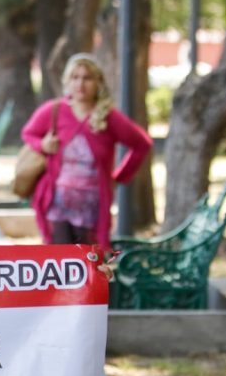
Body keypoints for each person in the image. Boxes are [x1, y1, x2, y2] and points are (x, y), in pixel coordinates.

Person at [20, 53, 151, 247]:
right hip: (57, 204)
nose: (80, 84)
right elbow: (28, 134)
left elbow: (142, 144)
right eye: (75, 77)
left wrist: (119, 177)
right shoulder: (54, 110)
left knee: (88, 264)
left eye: (87, 78)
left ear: (98, 82)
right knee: (58, 262)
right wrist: (43, 145)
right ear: (67, 81)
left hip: (92, 208)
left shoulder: (108, 117)